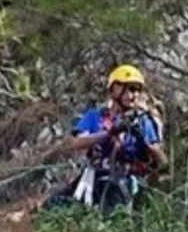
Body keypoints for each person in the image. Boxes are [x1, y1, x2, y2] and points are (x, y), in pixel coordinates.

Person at [45, 64, 167, 212]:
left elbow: (161, 161)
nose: (133, 95)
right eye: (129, 89)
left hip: (123, 181)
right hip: (93, 177)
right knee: (53, 204)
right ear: (114, 89)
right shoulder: (95, 116)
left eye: (137, 90)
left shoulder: (143, 122)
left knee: (112, 209)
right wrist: (110, 133)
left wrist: (143, 140)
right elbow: (77, 142)